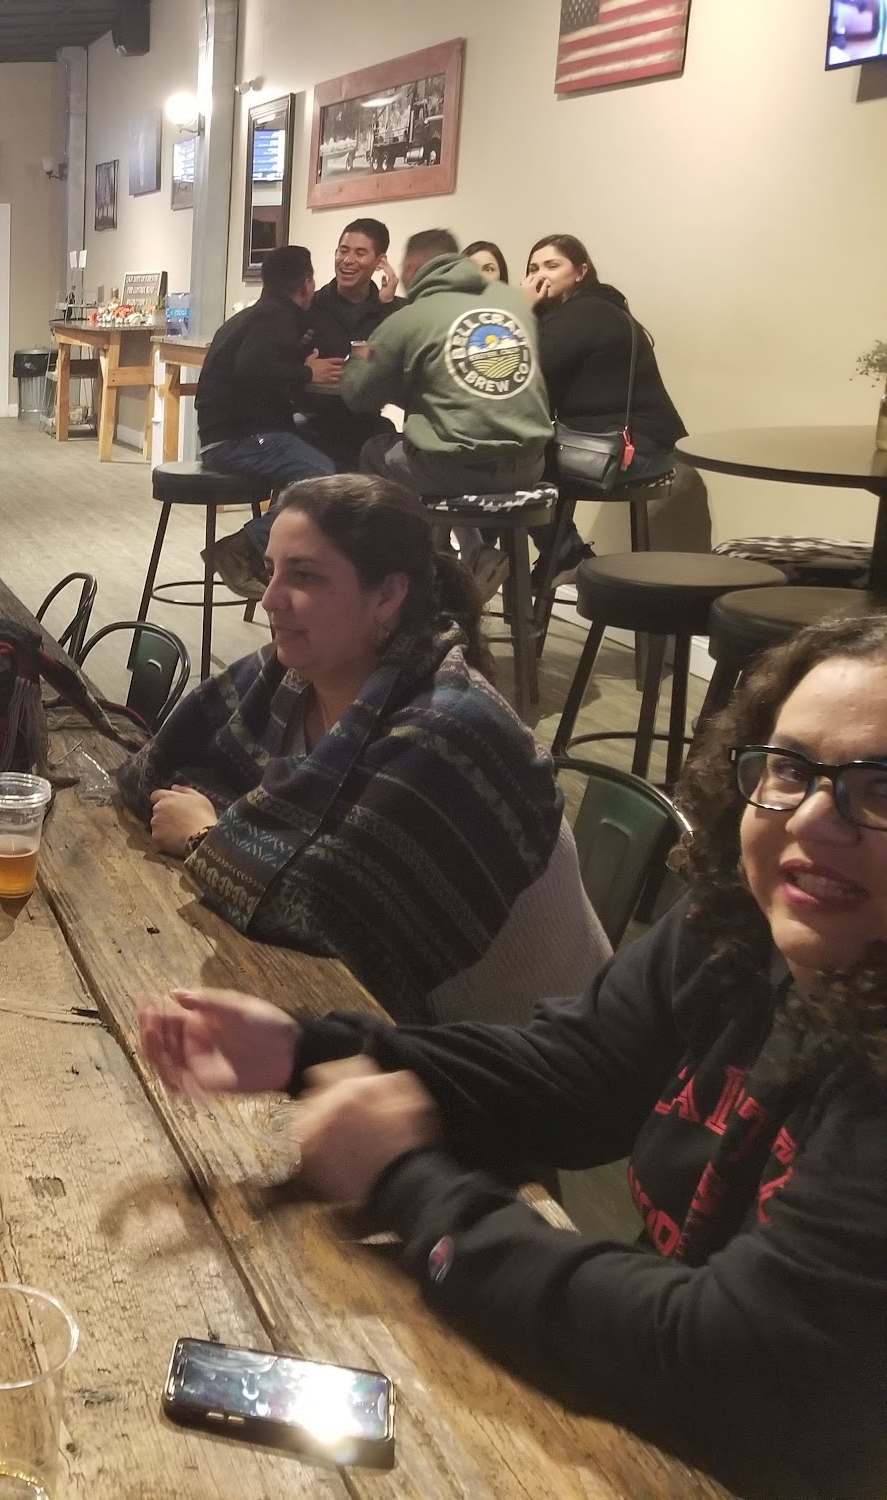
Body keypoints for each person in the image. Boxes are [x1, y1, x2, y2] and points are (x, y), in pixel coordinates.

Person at [139, 612, 887, 1500]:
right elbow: (578, 1072)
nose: (814, 819)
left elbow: (725, 1365)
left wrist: (412, 1186)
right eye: (791, 769)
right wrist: (310, 1047)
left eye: (879, 787)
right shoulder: (741, 923)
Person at [117, 475, 608, 1025]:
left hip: (529, 1048)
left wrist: (206, 838)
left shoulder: (450, 731)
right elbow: (167, 771)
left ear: (387, 596)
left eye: (304, 576)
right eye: (270, 570)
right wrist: (239, 838)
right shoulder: (288, 677)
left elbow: (326, 916)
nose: (270, 598)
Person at [342, 228, 553, 600]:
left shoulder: (412, 317)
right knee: (445, 443)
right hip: (531, 467)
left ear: (411, 268)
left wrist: (359, 352)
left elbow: (358, 394)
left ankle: (393, 579)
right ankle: (474, 555)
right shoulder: (513, 303)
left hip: (456, 470)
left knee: (377, 451)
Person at [524, 233, 688, 585]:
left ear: (581, 272)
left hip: (632, 449)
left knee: (514, 464)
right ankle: (560, 554)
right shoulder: (593, 309)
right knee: (519, 457)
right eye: (533, 268)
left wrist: (520, 309)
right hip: (644, 445)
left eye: (552, 265)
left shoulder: (585, 312)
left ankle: (564, 555)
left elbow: (525, 370)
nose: (540, 275)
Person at [191, 245, 340, 597]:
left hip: (222, 436)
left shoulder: (253, 316)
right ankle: (244, 548)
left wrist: (298, 362)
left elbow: (258, 365)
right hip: (240, 439)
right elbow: (254, 368)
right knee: (324, 478)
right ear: (306, 284)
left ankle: (274, 559)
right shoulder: (275, 317)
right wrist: (307, 372)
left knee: (317, 448)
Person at [297, 218, 403, 471]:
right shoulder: (309, 306)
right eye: (343, 251)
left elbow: (399, 357)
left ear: (380, 262)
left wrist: (387, 305)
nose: (347, 260)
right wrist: (304, 367)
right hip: (313, 421)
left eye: (360, 253)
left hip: (367, 421)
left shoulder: (394, 310)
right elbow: (276, 360)